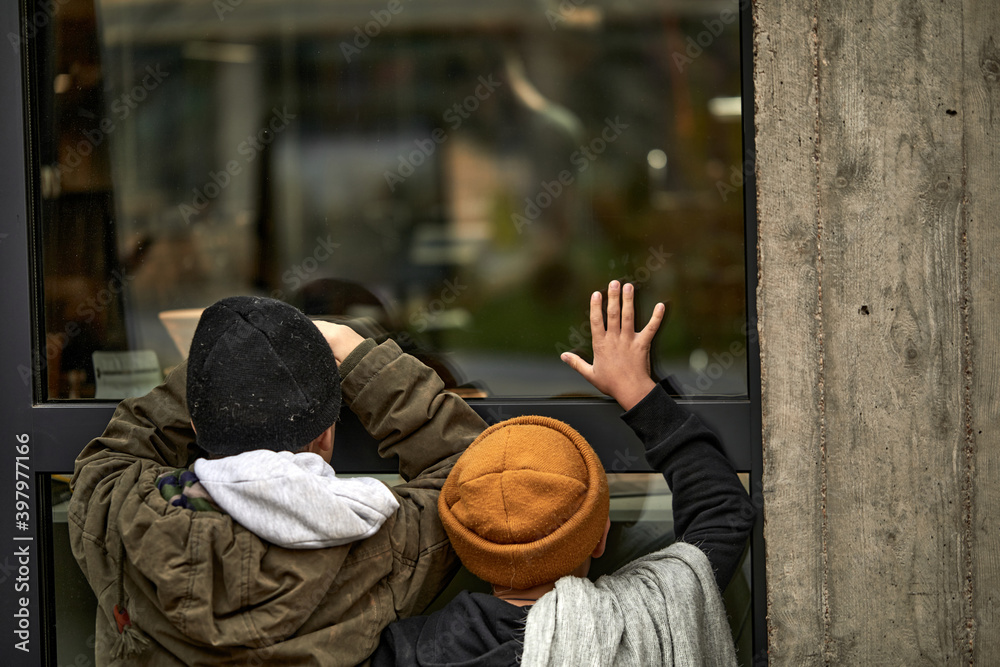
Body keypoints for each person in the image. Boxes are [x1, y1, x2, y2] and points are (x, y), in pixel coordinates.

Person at [68, 295, 487, 665]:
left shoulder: (124, 516)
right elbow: (469, 470)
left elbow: (117, 451)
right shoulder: (388, 544)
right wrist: (364, 362)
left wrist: (224, 358)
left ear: (195, 424)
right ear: (325, 435)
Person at [372, 280, 755, 666]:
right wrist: (639, 392)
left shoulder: (406, 648)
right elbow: (722, 513)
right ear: (602, 536)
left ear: (465, 550)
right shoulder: (649, 615)